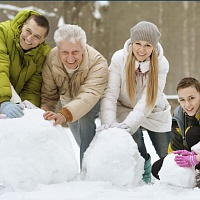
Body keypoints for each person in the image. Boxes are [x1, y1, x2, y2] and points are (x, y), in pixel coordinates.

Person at [97, 21, 172, 183]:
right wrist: (109, 125)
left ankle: (175, 179)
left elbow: (148, 100)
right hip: (124, 107)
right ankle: (143, 172)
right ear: (131, 43)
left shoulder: (162, 64)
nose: (141, 49)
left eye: (147, 45)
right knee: (134, 139)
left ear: (154, 47)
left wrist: (132, 122)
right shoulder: (119, 58)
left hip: (154, 109)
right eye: (137, 43)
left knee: (167, 154)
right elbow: (110, 93)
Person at [40, 24, 108, 168]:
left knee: (84, 120)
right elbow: (48, 93)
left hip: (93, 101)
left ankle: (87, 170)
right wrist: (45, 110)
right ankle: (98, 158)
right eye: (65, 52)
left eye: (75, 52)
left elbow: (88, 95)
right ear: (58, 49)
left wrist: (64, 114)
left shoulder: (98, 62)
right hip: (68, 103)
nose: (70, 58)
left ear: (83, 48)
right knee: (81, 139)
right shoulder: (51, 59)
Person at [0, 9, 51, 118]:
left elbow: (32, 86)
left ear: (43, 39)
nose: (29, 38)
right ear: (22, 25)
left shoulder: (41, 54)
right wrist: (3, 101)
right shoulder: (2, 33)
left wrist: (27, 106)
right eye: (28, 31)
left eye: (37, 37)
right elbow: (0, 68)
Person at [152, 77, 200, 181]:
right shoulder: (179, 115)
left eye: (191, 98)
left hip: (196, 159)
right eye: (182, 100)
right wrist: (174, 158)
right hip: (191, 159)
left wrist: (195, 158)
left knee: (193, 133)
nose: (187, 105)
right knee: (157, 169)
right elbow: (175, 145)